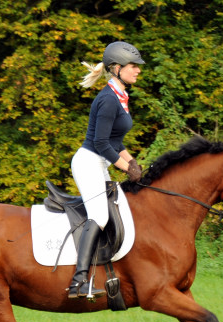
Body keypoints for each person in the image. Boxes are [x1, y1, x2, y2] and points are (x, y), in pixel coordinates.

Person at [67, 41, 144, 299]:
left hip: (100, 161)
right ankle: (78, 282)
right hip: (89, 161)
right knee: (99, 216)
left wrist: (133, 165)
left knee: (117, 210)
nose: (138, 71)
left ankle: (106, 272)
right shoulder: (109, 100)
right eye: (133, 66)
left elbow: (115, 143)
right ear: (116, 68)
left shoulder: (120, 97)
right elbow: (100, 144)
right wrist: (126, 168)